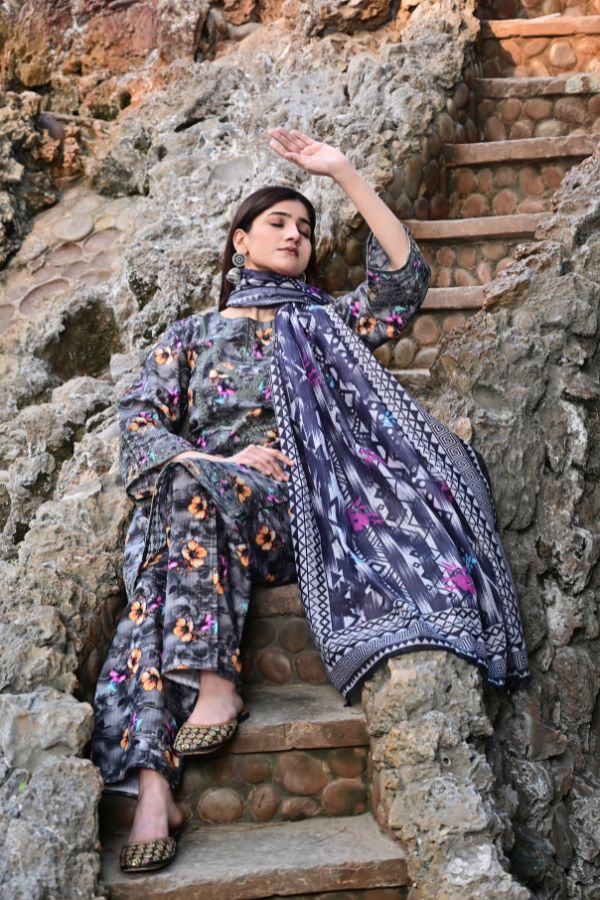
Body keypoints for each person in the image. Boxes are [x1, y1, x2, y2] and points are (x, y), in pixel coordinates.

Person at [91, 128, 528, 873]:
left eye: (305, 227)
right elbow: (137, 420)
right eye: (278, 223)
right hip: (209, 505)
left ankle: (203, 707)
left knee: (177, 521)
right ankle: (161, 780)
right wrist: (216, 458)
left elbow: (403, 285)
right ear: (239, 242)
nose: (295, 234)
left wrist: (343, 170)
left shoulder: (325, 323)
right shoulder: (192, 336)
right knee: (168, 544)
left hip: (303, 513)